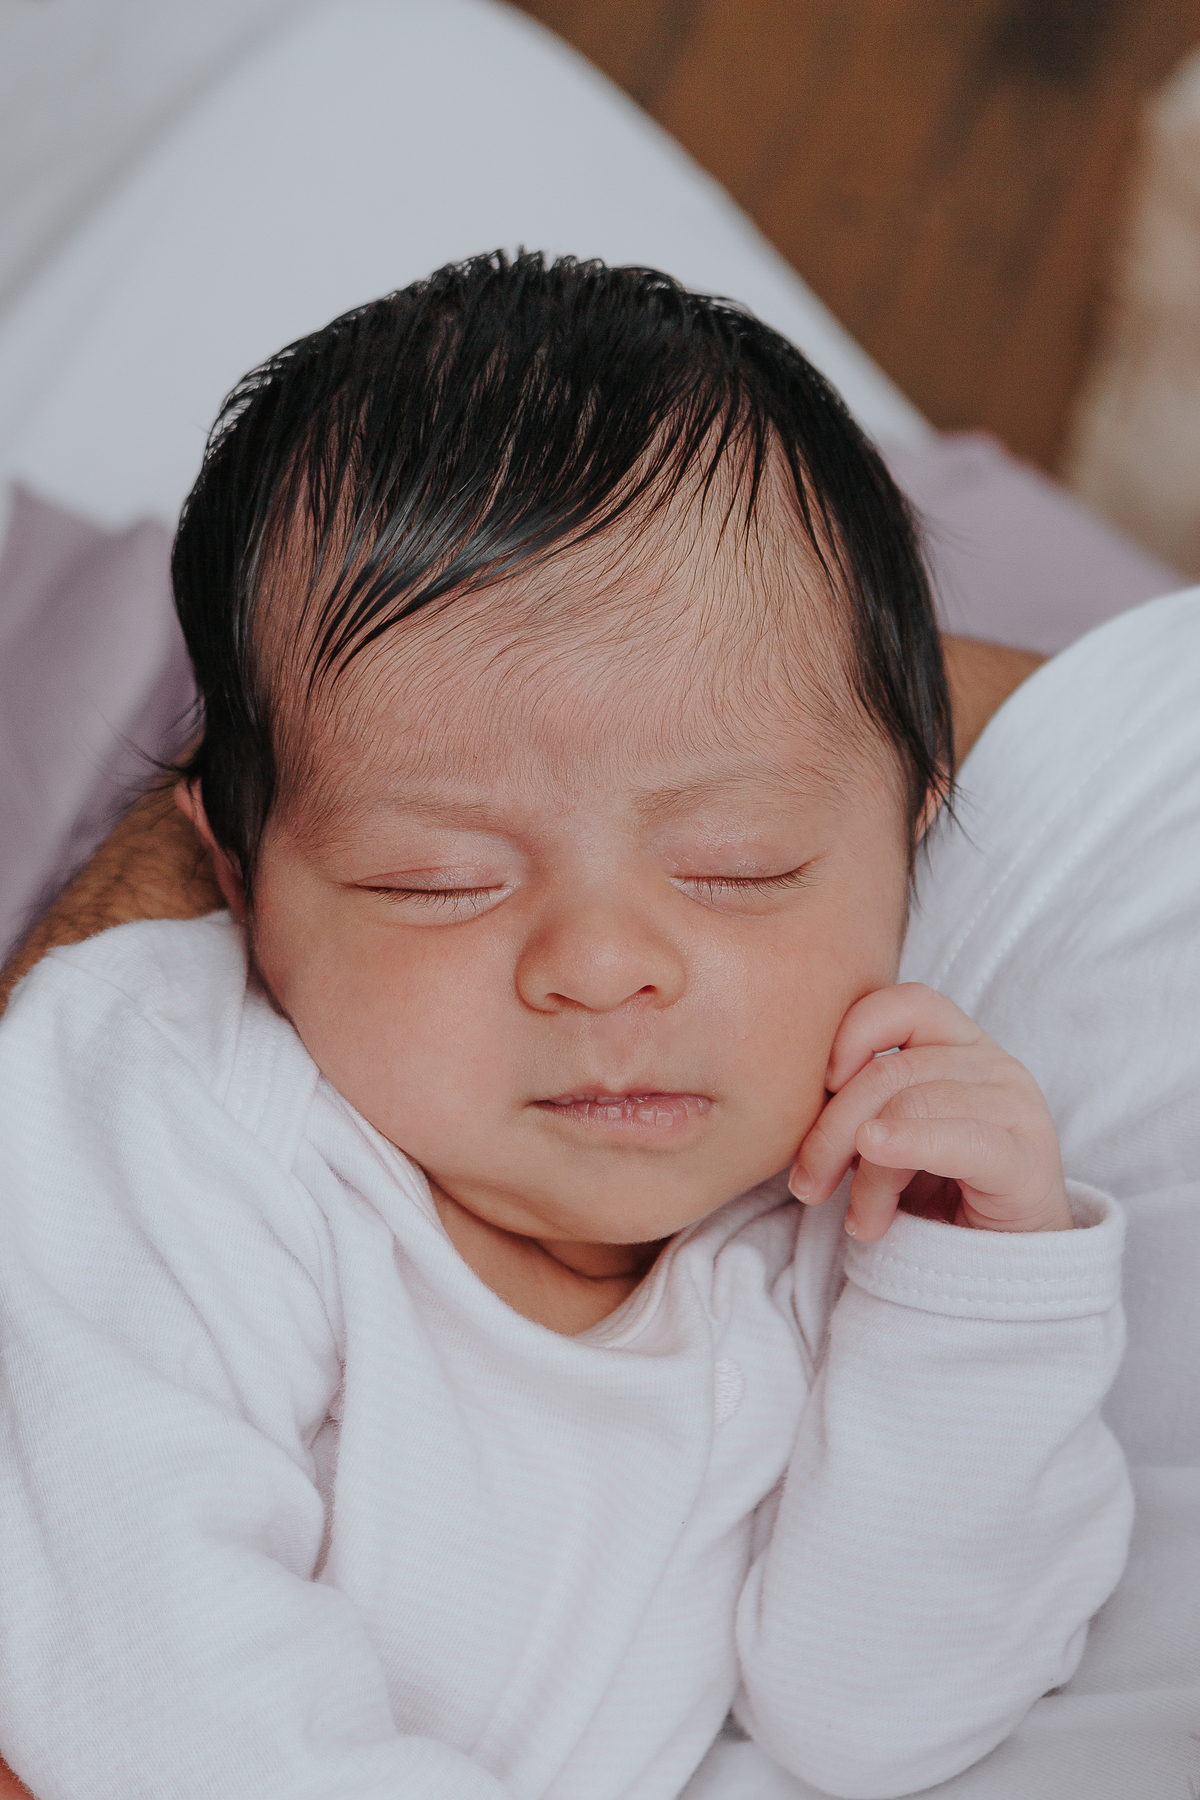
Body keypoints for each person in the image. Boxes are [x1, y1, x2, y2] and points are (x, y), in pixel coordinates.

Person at [0, 253, 1132, 1800]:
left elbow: (883, 1718)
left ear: (912, 831)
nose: (602, 968)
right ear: (241, 875)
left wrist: (972, 1309)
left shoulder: (830, 1211)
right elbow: (156, 1681)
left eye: (741, 868)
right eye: (437, 881)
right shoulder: (164, 1105)